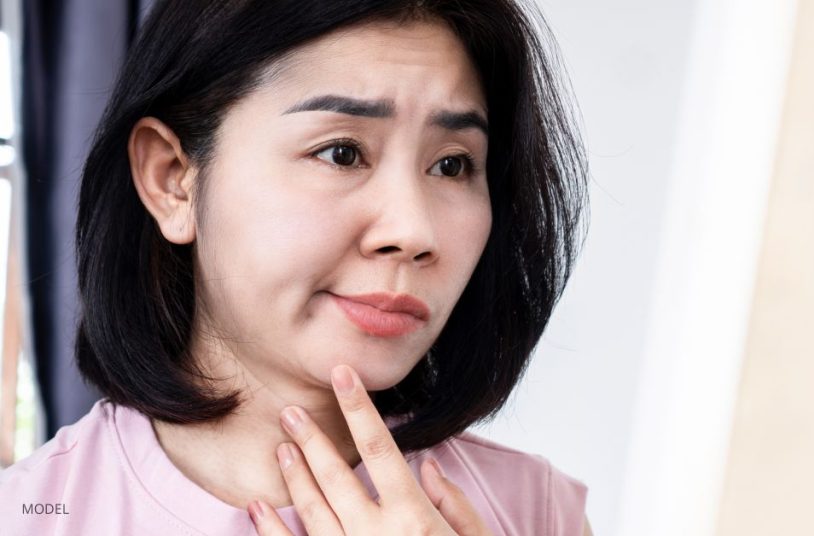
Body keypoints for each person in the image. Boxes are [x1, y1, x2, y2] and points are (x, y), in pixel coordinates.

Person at [0, 0, 591, 534]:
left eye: (453, 165)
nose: (413, 232)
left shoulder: (537, 514)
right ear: (172, 180)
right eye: (342, 153)